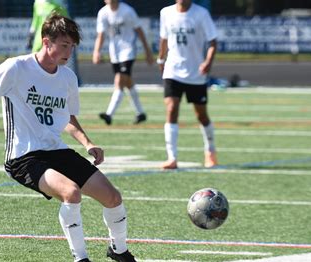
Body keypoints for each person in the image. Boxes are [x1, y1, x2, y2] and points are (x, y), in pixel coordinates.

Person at [0, 14, 137, 262]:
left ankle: (118, 250)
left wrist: (88, 143)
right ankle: (81, 259)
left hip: (55, 150)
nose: (69, 51)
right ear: (46, 42)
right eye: (64, 45)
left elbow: (67, 118)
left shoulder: (67, 78)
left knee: (113, 197)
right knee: (71, 192)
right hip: (23, 156)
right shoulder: (16, 68)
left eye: (72, 46)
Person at [157, 0, 218, 169]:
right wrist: (161, 59)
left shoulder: (201, 14)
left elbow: (213, 41)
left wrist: (207, 62)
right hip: (172, 71)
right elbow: (163, 38)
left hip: (195, 74)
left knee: (201, 115)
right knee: (171, 108)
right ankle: (172, 157)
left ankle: (210, 151)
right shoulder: (166, 12)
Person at [93, 0, 154, 125]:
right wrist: (96, 52)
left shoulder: (127, 11)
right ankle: (140, 113)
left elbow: (139, 30)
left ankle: (109, 114)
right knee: (127, 82)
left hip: (128, 50)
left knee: (119, 79)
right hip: (114, 53)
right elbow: (101, 35)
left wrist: (148, 51)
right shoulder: (103, 13)